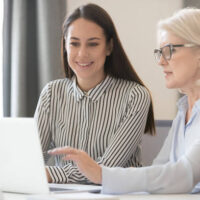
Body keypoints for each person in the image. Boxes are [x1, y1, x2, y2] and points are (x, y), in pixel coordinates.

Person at [48, 7, 200, 194]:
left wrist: (102, 173)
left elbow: (183, 176)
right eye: (160, 52)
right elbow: (159, 169)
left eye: (169, 50)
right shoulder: (185, 109)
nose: (161, 61)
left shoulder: (134, 96)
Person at [34, 3, 155, 184]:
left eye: (93, 44)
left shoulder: (135, 96)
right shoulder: (52, 93)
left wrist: (50, 174)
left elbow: (105, 171)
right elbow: (30, 162)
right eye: (74, 43)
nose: (82, 54)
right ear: (65, 46)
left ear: (109, 47)